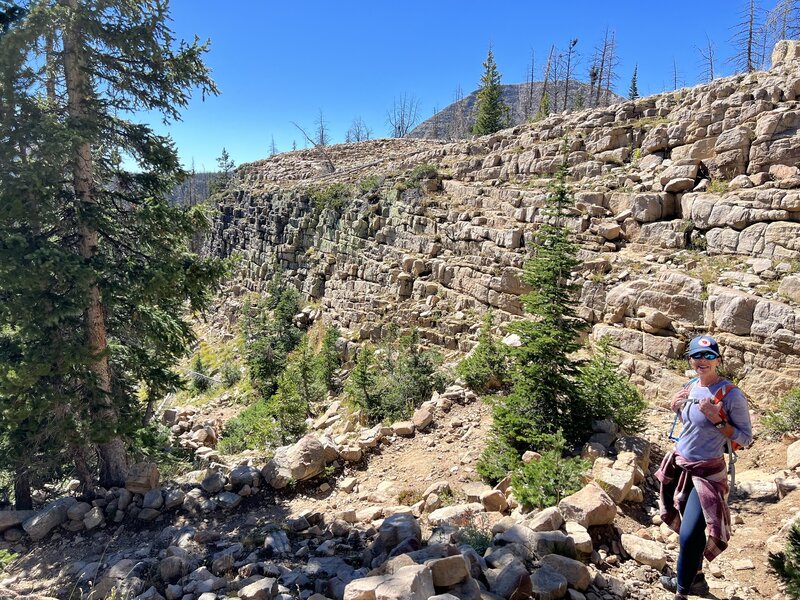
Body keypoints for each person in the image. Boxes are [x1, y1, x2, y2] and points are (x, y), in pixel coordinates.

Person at [655, 335, 753, 599]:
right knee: (692, 529)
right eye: (697, 355)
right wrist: (676, 408)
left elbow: (745, 438)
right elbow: (690, 425)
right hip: (681, 466)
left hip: (707, 475)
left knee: (687, 536)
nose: (702, 361)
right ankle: (696, 579)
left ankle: (681, 592)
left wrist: (719, 420)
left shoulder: (731, 395)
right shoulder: (690, 385)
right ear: (690, 359)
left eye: (709, 356)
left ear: (718, 360)